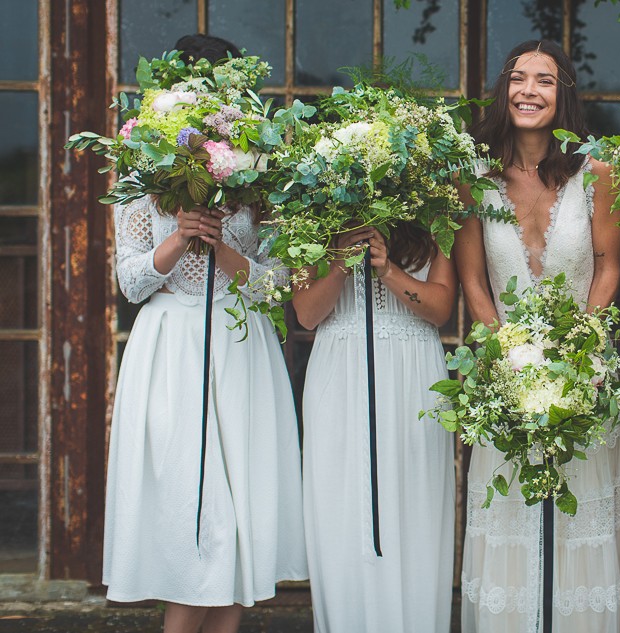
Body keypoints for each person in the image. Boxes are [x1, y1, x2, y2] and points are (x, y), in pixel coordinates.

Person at [102, 34, 307, 633]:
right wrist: (179, 235)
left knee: (238, 519)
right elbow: (130, 283)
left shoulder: (257, 174)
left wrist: (227, 252)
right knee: (194, 517)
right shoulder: (143, 172)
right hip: (172, 351)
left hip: (241, 349)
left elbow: (276, 289)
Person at [453, 39, 620, 633]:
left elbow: (609, 267)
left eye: (545, 80)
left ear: (564, 97)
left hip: (582, 372)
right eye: (518, 77)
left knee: (578, 515)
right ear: (502, 89)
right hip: (503, 374)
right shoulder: (474, 179)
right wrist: (506, 354)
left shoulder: (597, 174)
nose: (528, 90)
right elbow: (473, 281)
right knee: (509, 512)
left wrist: (579, 353)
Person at [294, 223, 457, 633]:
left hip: (413, 372)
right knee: (341, 510)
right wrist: (338, 267)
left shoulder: (437, 210)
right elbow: (307, 314)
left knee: (413, 510)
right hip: (339, 371)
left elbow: (440, 309)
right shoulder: (307, 213)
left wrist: (388, 271)